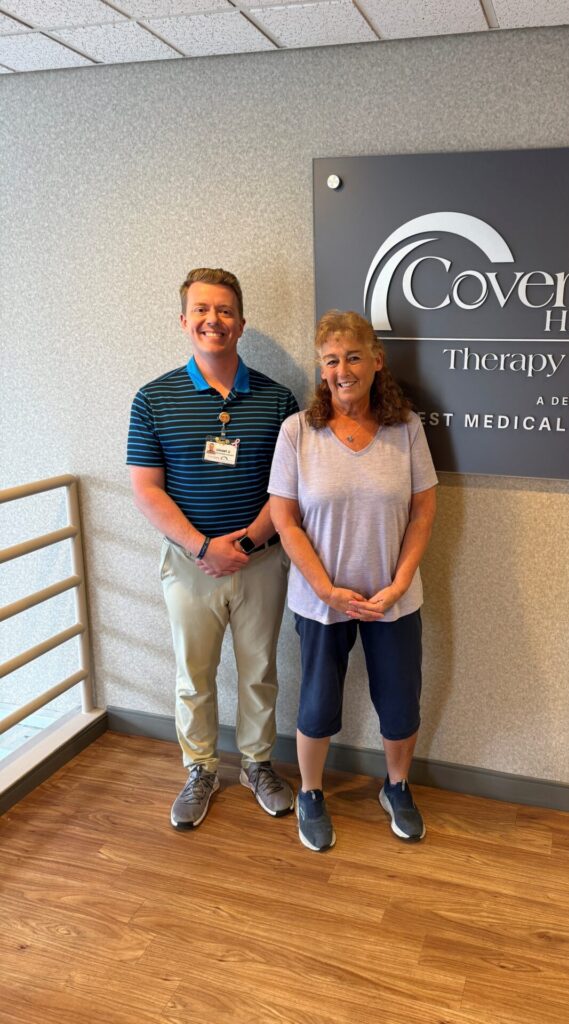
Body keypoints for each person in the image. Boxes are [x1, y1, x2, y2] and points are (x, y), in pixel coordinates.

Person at [127, 267, 298, 830]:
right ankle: (200, 768)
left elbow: (287, 490)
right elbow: (146, 490)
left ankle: (256, 764)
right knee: (193, 675)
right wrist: (204, 546)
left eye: (224, 311)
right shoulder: (153, 399)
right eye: (201, 310)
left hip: (261, 561)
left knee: (260, 672)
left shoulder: (277, 400)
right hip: (189, 564)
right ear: (184, 321)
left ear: (242, 323)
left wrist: (244, 542)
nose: (213, 320)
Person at [268, 310, 438, 852]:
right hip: (321, 600)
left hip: (394, 597)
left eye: (353, 357)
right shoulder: (298, 431)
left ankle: (397, 786)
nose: (343, 370)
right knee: (316, 702)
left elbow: (422, 514)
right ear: (322, 369)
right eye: (331, 360)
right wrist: (324, 588)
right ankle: (313, 792)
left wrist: (399, 582)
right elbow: (284, 519)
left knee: (400, 702)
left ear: (376, 360)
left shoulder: (405, 429)